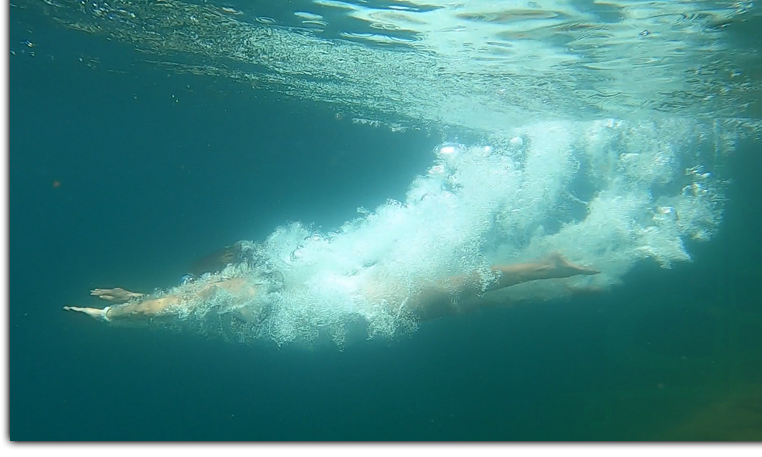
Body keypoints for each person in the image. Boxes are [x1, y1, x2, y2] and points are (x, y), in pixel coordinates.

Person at [63, 252, 599, 327]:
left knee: (462, 291)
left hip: (382, 300)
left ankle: (545, 268)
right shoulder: (255, 276)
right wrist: (135, 293)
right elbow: (191, 294)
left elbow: (179, 303)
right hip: (369, 288)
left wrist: (112, 316)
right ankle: (552, 280)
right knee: (465, 298)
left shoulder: (239, 285)